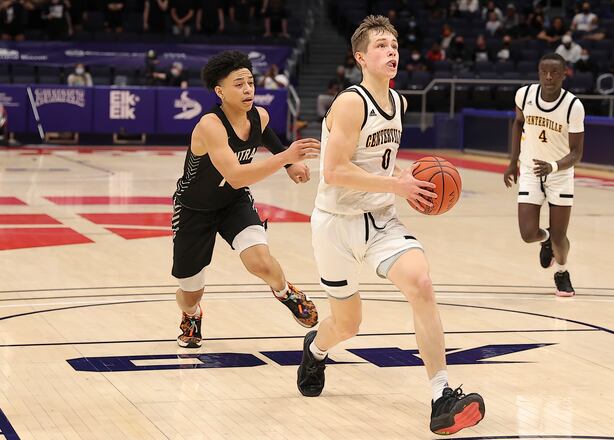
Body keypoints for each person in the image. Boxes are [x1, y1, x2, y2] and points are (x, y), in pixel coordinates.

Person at [296, 15, 485, 435]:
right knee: (347, 324)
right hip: (336, 224)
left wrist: (404, 182)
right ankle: (316, 348)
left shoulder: (397, 102)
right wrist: (395, 184)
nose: (392, 51)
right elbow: (333, 171)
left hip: (382, 220)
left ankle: (441, 397)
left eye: (395, 44)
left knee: (422, 284)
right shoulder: (350, 102)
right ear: (360, 56)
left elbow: (379, 161)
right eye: (381, 45)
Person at [171, 50, 320, 348]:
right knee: (190, 290)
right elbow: (237, 174)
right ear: (220, 91)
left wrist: (290, 164)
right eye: (238, 84)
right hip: (193, 208)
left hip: (233, 202)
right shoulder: (210, 126)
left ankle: (285, 292)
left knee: (260, 262)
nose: (248, 89)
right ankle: (192, 315)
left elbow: (267, 136)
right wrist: (285, 158)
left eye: (250, 82)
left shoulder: (259, 115)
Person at [504, 53, 586, 297]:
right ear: (539, 72)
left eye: (554, 73)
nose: (548, 77)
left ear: (564, 74)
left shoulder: (573, 106)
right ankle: (546, 238)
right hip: (530, 169)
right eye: (544, 72)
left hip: (559, 173)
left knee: (562, 237)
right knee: (528, 234)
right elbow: (518, 123)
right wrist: (512, 163)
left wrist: (553, 166)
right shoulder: (524, 95)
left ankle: (562, 272)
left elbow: (577, 153)